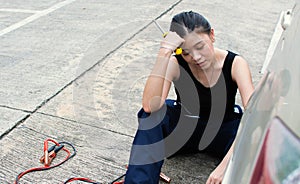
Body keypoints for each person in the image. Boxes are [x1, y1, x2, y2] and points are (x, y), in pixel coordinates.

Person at [124, 11, 254, 184]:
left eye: (200, 47)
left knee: (252, 129)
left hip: (222, 131)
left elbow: (255, 119)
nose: (196, 57)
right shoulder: (176, 62)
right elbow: (149, 106)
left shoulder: (235, 63)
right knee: (153, 114)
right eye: (186, 52)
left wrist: (224, 167)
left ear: (212, 35)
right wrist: (164, 52)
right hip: (185, 131)